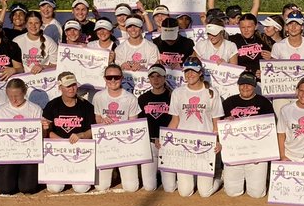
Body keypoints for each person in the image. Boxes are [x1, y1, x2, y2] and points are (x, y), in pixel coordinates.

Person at [167, 60, 223, 198]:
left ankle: (219, 177)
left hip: (205, 145)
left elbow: (216, 122)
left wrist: (217, 141)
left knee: (205, 192)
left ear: (200, 72)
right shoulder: (178, 93)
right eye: (187, 71)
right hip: (183, 145)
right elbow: (175, 120)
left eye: (193, 70)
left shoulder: (211, 93)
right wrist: (166, 139)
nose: (190, 74)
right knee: (185, 192)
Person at [221, 71, 275, 198]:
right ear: (238, 85)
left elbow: (270, 129)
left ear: (255, 85)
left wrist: (263, 152)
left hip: (256, 154)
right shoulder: (229, 102)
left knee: (257, 194)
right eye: (242, 84)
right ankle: (224, 175)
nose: (245, 87)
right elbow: (218, 125)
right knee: (232, 192)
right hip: (235, 152)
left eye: (249, 84)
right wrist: (224, 122)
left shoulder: (264, 103)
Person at [42, 71, 96, 194]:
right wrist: (61, 141)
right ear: (60, 87)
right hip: (58, 153)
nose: (71, 89)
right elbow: (47, 131)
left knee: (81, 189)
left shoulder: (86, 106)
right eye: (67, 86)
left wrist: (81, 135)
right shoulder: (52, 105)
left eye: (74, 85)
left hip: (80, 152)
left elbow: (93, 130)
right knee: (55, 188)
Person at [93, 63, 143, 192]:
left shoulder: (130, 98)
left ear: (122, 78)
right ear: (104, 79)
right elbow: (97, 117)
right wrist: (102, 121)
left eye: (116, 77)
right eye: (109, 78)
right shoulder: (98, 97)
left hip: (124, 146)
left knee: (132, 188)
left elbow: (134, 123)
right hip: (106, 145)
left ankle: (119, 171)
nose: (113, 80)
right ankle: (114, 173)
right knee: (101, 186)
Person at [0, 77, 43, 195]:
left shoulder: (35, 109)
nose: (14, 100)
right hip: (8, 154)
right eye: (10, 96)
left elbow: (39, 136)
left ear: (24, 92)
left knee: (28, 188)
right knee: (5, 189)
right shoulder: (0, 111)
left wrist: (44, 128)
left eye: (17, 96)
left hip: (28, 154)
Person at [137, 63, 174, 192]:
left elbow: (177, 121)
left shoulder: (173, 97)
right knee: (149, 187)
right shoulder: (142, 98)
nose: (156, 79)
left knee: (170, 188)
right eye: (152, 76)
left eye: (159, 76)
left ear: (165, 78)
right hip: (150, 144)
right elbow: (139, 124)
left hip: (168, 143)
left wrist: (164, 137)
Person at [233, 13, 270, 78]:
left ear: (256, 26)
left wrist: (272, 57)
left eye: (249, 27)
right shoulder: (233, 40)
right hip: (240, 78)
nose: (246, 30)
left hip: (258, 79)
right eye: (243, 27)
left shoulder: (263, 40)